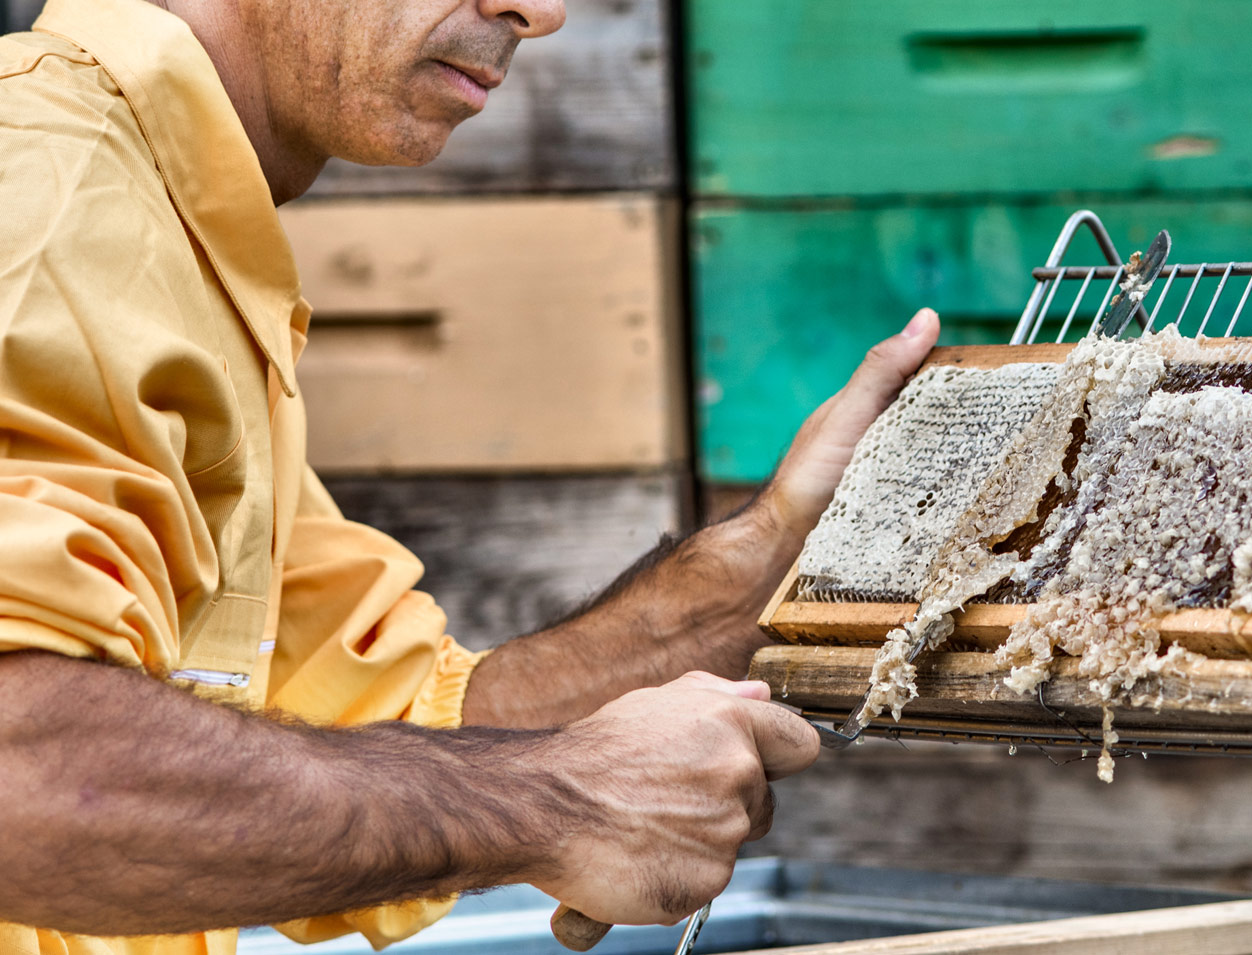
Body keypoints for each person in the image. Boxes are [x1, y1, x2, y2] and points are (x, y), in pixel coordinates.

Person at [0, 0, 943, 949]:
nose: (540, 12)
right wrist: (560, 798)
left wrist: (775, 563)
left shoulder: (165, 216)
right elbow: (21, 769)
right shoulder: (47, 186)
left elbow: (403, 723)